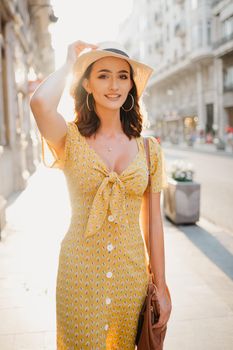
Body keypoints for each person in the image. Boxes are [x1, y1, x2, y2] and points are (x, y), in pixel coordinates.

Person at [30, 40, 172, 349]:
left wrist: (160, 285)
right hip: (79, 275)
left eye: (123, 76)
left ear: (131, 85)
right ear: (87, 84)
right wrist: (70, 63)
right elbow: (40, 104)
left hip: (130, 276)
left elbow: (154, 224)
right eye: (103, 75)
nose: (114, 85)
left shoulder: (150, 151)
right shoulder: (68, 138)